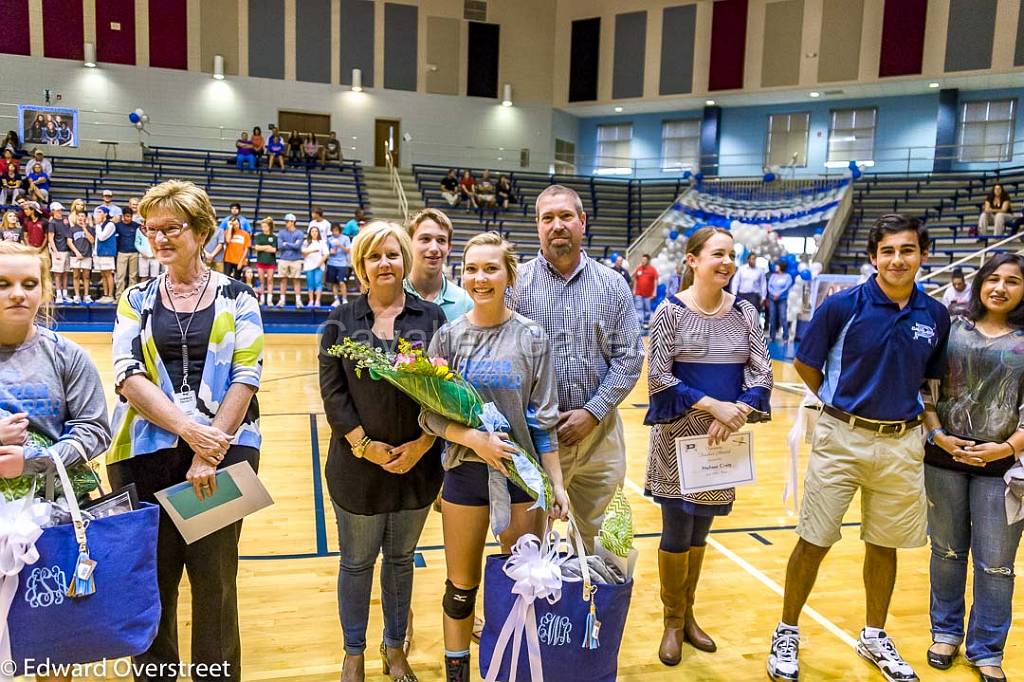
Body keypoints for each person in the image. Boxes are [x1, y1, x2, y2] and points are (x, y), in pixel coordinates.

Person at [767, 214, 951, 682]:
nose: (897, 259)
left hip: (901, 443)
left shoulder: (935, 315)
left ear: (922, 256)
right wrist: (841, 401)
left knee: (883, 544)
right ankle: (786, 630)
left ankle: (874, 635)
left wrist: (928, 426)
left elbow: (929, 379)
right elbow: (808, 366)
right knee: (813, 540)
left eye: (907, 250)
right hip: (841, 438)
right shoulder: (841, 306)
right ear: (873, 257)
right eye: (887, 251)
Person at [108, 179, 263, 682]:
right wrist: (191, 434)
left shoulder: (238, 296)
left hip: (225, 452)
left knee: (215, 581)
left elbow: (246, 375)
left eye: (171, 228)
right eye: (150, 230)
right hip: (144, 455)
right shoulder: (135, 298)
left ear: (200, 232)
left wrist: (209, 450)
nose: (159, 239)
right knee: (152, 580)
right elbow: (126, 373)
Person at [418, 232, 569, 681]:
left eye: (490, 268)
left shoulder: (532, 338)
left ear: (509, 275)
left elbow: (543, 424)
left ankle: (517, 668)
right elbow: (428, 417)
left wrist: (555, 483)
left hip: (521, 479)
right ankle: (457, 672)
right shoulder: (449, 337)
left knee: (525, 585)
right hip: (465, 476)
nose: (480, 278)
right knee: (461, 588)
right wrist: (473, 439)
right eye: (471, 268)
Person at [318, 220, 446, 682]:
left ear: (404, 261)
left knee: (399, 562)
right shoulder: (340, 321)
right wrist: (364, 446)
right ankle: (353, 653)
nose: (385, 263)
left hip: (418, 465)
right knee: (356, 563)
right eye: (375, 256)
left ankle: (394, 650)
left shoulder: (432, 320)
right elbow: (333, 395)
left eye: (392, 254)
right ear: (361, 266)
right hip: (357, 468)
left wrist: (424, 443)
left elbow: (447, 391)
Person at [644, 227, 772, 666]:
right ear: (693, 260)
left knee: (702, 533)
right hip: (677, 442)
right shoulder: (670, 312)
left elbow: (762, 373)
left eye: (731, 255)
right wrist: (714, 406)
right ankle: (672, 622)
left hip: (722, 443)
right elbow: (658, 376)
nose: (727, 262)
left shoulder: (745, 313)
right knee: (676, 531)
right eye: (718, 254)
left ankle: (690, 612)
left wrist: (737, 410)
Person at [512, 184, 644, 550]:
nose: (557, 225)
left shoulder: (613, 285)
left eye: (566, 216)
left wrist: (592, 411)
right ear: (537, 226)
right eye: (547, 218)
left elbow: (630, 357)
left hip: (599, 437)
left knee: (607, 545)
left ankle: (600, 609)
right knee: (527, 547)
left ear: (582, 222)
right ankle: (536, 612)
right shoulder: (515, 285)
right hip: (536, 439)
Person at [921, 252, 1024, 682]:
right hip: (944, 458)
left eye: (1013, 281)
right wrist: (938, 435)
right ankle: (945, 632)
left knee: (996, 564)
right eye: (993, 278)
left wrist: (1006, 448)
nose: (1000, 287)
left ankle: (987, 649)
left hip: (1003, 467)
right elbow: (926, 389)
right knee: (946, 552)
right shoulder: (952, 328)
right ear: (980, 283)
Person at [0, 242, 111, 597]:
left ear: (45, 289)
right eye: (3, 284)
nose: (18, 294)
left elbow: (95, 430)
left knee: (45, 627)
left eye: (29, 284)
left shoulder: (67, 356)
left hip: (50, 515)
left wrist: (31, 462)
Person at [403, 208, 473, 322]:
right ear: (408, 243)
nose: (434, 248)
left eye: (441, 240)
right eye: (425, 239)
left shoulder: (465, 304)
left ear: (449, 248)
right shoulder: (393, 296)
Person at [276, 213, 305, 307]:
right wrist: (291, 244)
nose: (286, 223)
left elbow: (297, 246)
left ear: (292, 222)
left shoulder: (299, 233)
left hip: (296, 259)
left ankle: (298, 300)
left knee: (296, 280)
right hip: (283, 259)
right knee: (283, 280)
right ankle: (282, 300)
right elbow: (280, 246)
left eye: (287, 221)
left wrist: (286, 244)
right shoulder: (281, 232)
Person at [47, 202, 72, 304]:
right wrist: (55, 252)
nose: (60, 212)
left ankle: (65, 294)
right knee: (58, 274)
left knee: (65, 273)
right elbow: (50, 238)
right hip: (58, 251)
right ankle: (58, 294)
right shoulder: (52, 223)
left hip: (66, 250)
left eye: (60, 210)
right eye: (57, 210)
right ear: (53, 211)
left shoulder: (65, 220)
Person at [92, 206, 117, 303]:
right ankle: (105, 294)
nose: (97, 215)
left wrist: (97, 225)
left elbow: (102, 237)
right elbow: (97, 240)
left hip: (107, 253)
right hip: (100, 252)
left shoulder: (110, 225)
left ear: (105, 214)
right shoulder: (100, 225)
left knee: (108, 274)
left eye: (100, 212)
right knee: (103, 274)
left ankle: (110, 295)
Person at [68, 209, 94, 304]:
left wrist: (84, 228)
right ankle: (77, 295)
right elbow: (69, 242)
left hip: (87, 254)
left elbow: (92, 241)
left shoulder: (90, 228)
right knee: (76, 275)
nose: (80, 218)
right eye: (79, 216)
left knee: (86, 276)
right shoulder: (72, 228)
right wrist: (76, 252)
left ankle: (86, 295)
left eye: (82, 216)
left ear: (86, 218)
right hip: (75, 255)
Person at [114, 209, 140, 300]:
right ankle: (118, 297)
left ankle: (131, 297)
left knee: (133, 276)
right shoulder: (117, 226)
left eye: (130, 216)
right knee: (120, 276)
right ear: (123, 216)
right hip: (121, 252)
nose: (128, 218)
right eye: (127, 216)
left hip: (134, 253)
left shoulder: (136, 226)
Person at [253, 217, 278, 306]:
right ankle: (262, 299)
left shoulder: (274, 237)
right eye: (262, 226)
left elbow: (274, 250)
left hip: (271, 261)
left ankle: (269, 300)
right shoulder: (259, 236)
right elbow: (256, 248)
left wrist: (263, 248)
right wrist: (267, 246)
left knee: (270, 280)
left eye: (265, 226)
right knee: (262, 281)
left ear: (269, 227)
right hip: (261, 261)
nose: (263, 228)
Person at [301, 225, 328, 307]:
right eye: (312, 231)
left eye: (316, 231)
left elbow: (326, 254)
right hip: (309, 266)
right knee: (310, 283)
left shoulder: (322, 242)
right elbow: (303, 253)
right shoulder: (306, 242)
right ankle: (311, 300)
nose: (314, 233)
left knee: (318, 283)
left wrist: (320, 263)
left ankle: (317, 301)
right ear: (310, 233)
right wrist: (312, 250)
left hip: (319, 266)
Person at [767, 262, 794, 343]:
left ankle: (785, 337)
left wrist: (778, 294)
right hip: (772, 299)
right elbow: (769, 286)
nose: (775, 267)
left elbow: (787, 287)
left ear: (781, 267)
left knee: (783, 317)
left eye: (777, 266)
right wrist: (773, 293)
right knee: (772, 317)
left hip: (782, 299)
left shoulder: (788, 276)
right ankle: (772, 336)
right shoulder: (773, 276)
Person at [326, 223, 351, 307]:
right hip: (331, 263)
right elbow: (325, 251)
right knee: (334, 283)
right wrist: (330, 252)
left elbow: (348, 250)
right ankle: (336, 299)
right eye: (333, 231)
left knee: (341, 282)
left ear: (339, 231)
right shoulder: (329, 239)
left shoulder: (345, 238)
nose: (334, 232)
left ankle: (344, 299)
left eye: (336, 230)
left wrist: (340, 245)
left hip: (342, 264)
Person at [632, 253, 659, 327]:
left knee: (647, 309)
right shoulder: (639, 268)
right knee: (639, 308)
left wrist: (654, 292)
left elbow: (655, 280)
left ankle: (646, 322)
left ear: (648, 261)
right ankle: (639, 323)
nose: (643, 261)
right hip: (638, 293)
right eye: (642, 259)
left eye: (644, 260)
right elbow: (634, 277)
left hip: (648, 294)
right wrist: (634, 289)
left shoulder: (652, 269)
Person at [136, 216, 160, 284]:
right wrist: (143, 252)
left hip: (155, 255)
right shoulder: (139, 230)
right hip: (143, 256)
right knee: (143, 276)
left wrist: (155, 251)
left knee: (155, 277)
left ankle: (154, 293)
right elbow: (137, 243)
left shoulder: (157, 229)